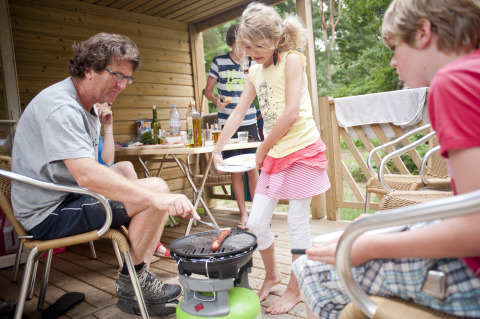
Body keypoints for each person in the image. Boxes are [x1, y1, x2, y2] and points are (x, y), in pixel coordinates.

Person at [292, 1, 480, 318]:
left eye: (394, 48)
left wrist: (372, 245)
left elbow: (476, 224)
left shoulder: (454, 83)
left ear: (423, 32)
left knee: (309, 266)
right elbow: (467, 203)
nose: (392, 62)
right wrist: (378, 226)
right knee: (355, 232)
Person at [11, 32, 200, 317]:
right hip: (47, 213)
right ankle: (132, 283)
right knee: (158, 191)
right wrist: (155, 199)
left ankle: (136, 270)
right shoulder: (61, 107)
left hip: (63, 195)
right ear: (88, 69)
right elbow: (86, 174)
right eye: (117, 75)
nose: (123, 85)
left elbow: (93, 167)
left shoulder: (84, 105)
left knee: (129, 174)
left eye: (128, 78)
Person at [212, 3, 330, 315]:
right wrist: (217, 148)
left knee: (296, 221)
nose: (251, 52)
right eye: (246, 46)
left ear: (275, 39)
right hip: (276, 154)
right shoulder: (254, 70)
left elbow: (291, 113)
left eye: (257, 45)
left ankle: (297, 286)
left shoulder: (292, 60)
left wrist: (261, 149)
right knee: (254, 222)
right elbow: (238, 112)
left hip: (302, 149)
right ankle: (273, 274)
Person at [96, 101, 170, 267]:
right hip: (89, 187)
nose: (105, 105)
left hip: (103, 179)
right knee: (155, 192)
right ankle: (145, 244)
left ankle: (142, 241)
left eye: (107, 103)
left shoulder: (94, 124)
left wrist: (108, 126)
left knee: (126, 166)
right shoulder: (78, 119)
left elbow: (107, 161)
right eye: (101, 102)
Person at [205, 24, 260, 229]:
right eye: (239, 44)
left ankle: (257, 214)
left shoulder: (252, 61)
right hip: (228, 124)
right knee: (235, 171)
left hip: (250, 122)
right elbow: (208, 91)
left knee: (253, 169)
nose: (243, 48)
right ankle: (244, 215)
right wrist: (216, 100)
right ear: (230, 43)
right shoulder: (219, 62)